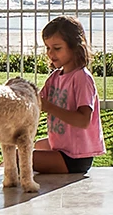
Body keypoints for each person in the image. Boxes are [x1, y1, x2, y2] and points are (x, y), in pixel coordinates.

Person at [34, 16, 104, 178]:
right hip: (60, 147)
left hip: (76, 156)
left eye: (57, 48)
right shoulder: (55, 77)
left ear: (74, 47)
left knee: (18, 159)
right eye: (48, 48)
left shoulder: (81, 78)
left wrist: (49, 107)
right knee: (37, 145)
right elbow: (36, 101)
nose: (50, 53)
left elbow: (83, 120)